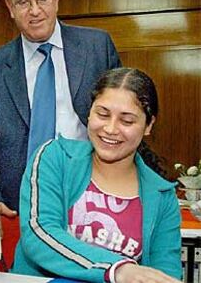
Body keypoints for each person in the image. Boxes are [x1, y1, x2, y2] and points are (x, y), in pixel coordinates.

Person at [0, 0, 121, 219]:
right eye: (23, 1)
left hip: (94, 198)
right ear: (10, 7)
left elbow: (124, 116)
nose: (35, 10)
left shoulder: (97, 47)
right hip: (20, 205)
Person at [13, 67, 181, 283]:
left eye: (127, 121)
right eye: (102, 114)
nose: (111, 129)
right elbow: (39, 233)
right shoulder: (54, 157)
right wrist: (117, 270)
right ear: (89, 112)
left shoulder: (162, 196)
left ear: (148, 126)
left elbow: (164, 274)